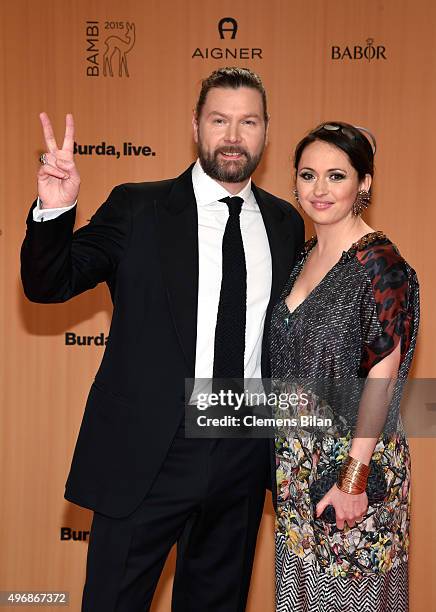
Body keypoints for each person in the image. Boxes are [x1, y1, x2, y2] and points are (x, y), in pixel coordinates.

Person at [20, 67, 304, 611]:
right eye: (219, 120)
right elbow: (48, 284)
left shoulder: (285, 223)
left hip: (241, 449)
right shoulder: (138, 207)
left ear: (267, 131)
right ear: (195, 126)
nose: (233, 135)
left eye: (248, 122)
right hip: (148, 449)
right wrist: (54, 209)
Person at [271, 122, 419, 611]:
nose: (320, 189)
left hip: (353, 467)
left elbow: (384, 374)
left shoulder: (381, 264)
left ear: (364, 183)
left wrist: (352, 478)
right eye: (309, 175)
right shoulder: (307, 256)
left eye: (337, 175)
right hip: (297, 466)